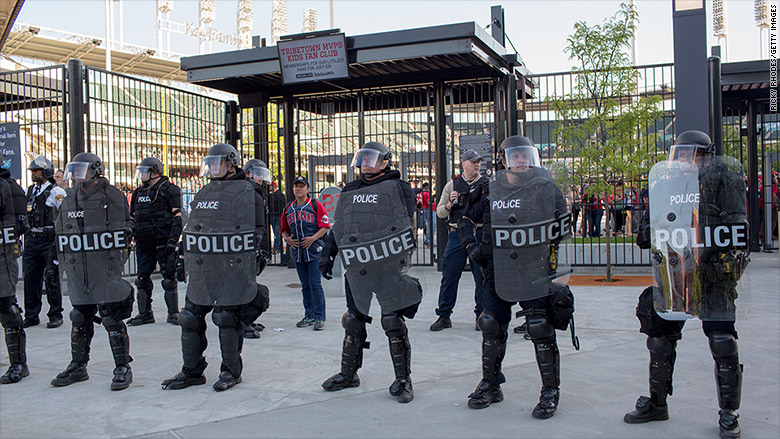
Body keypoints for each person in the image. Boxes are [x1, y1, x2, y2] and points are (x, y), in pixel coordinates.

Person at [624, 130, 749, 439]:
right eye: (678, 154)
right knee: (659, 338)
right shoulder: (664, 185)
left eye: (689, 154)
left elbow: (738, 228)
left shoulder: (724, 183)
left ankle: (729, 413)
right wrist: (646, 233)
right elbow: (646, 229)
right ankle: (657, 403)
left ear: (706, 156)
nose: (682, 160)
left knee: (722, 340)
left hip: (712, 273)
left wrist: (727, 261)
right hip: (675, 271)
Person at [458, 135, 571, 418]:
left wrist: (553, 248)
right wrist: (471, 245)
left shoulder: (546, 187)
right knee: (490, 324)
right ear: (504, 160)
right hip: (497, 269)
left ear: (532, 158)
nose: (520, 160)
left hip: (533, 268)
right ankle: (491, 385)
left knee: (540, 327)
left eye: (524, 155)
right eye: (514, 156)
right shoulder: (487, 189)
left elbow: (564, 225)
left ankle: (550, 391)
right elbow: (464, 220)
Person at [319, 141, 422, 403]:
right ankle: (348, 374)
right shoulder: (351, 189)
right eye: (363, 159)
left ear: (385, 161)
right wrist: (327, 254)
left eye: (372, 159)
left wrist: (399, 258)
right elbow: (339, 226)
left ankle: (403, 379)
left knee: (392, 320)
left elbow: (405, 224)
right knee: (353, 319)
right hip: (357, 266)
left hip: (386, 265)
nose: (366, 163)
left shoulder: (399, 187)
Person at [162, 144, 267, 392]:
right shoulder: (205, 191)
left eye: (216, 162)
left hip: (230, 265)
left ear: (231, 163)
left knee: (226, 317)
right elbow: (192, 227)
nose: (211, 167)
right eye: (209, 163)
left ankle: (230, 371)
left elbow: (258, 231)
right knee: (189, 317)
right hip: (202, 265)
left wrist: (253, 261)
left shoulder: (248, 191)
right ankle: (192, 371)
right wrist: (181, 257)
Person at [51, 152, 135, 390]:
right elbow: (60, 231)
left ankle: (122, 367)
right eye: (74, 171)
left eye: (81, 170)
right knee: (79, 316)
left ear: (95, 170)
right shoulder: (68, 197)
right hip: (79, 268)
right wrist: (55, 263)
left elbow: (125, 228)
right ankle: (78, 366)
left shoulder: (112, 195)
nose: (76, 176)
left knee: (110, 317)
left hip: (104, 267)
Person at [429, 149, 487, 331]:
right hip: (457, 233)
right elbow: (439, 212)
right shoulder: (451, 186)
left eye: (478, 162)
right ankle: (444, 315)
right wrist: (449, 204)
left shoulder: (486, 184)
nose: (477, 165)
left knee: (481, 276)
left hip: (479, 233)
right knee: (450, 275)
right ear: (464, 164)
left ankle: (481, 314)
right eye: (473, 162)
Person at [127, 157, 183, 326]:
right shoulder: (138, 192)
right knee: (142, 279)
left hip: (163, 242)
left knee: (168, 278)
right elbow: (132, 219)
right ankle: (145, 314)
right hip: (144, 243)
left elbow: (178, 218)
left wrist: (173, 240)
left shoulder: (169, 190)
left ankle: (173, 313)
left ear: (155, 171)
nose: (142, 175)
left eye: (145, 171)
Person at [22, 154, 66, 329]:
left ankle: (55, 314)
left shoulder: (56, 192)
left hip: (49, 241)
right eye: (33, 170)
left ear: (46, 171)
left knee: (51, 277)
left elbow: (64, 213)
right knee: (30, 278)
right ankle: (31, 315)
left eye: (37, 170)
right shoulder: (30, 191)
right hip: (32, 240)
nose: (34, 173)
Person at [281, 176, 329, 331]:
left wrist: (313, 238)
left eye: (302, 186)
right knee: (305, 285)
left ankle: (320, 317)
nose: (298, 189)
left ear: (308, 189)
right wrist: (287, 239)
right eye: (296, 186)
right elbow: (283, 229)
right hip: (298, 252)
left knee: (315, 284)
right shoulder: (289, 208)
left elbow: (325, 226)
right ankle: (309, 315)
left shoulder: (315, 205)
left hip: (314, 250)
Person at [0, 167, 30, 384]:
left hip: (2, 255)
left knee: (6, 307)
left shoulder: (9, 187)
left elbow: (19, 225)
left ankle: (18, 363)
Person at [242, 158, 273, 339]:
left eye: (263, 174)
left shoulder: (255, 191)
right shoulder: (247, 191)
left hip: (254, 242)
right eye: (258, 174)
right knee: (246, 285)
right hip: (247, 244)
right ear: (248, 173)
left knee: (250, 282)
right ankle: (242, 321)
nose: (261, 178)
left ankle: (247, 319)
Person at [267, 181, 287, 255]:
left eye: (270, 186)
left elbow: (283, 206)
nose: (269, 188)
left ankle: (276, 248)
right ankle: (278, 248)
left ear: (273, 186)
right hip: (272, 216)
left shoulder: (279, 195)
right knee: (276, 233)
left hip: (278, 216)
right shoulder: (269, 195)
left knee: (278, 233)